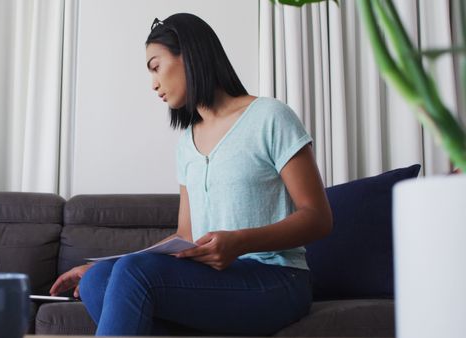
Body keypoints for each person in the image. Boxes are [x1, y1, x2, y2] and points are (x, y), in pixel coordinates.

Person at [49, 13, 333, 336]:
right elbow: (185, 234)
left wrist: (239, 243)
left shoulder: (270, 117)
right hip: (217, 281)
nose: (153, 83)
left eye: (156, 67)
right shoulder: (187, 143)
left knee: (131, 275)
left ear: (189, 54)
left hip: (278, 279)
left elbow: (319, 217)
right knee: (98, 280)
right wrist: (107, 266)